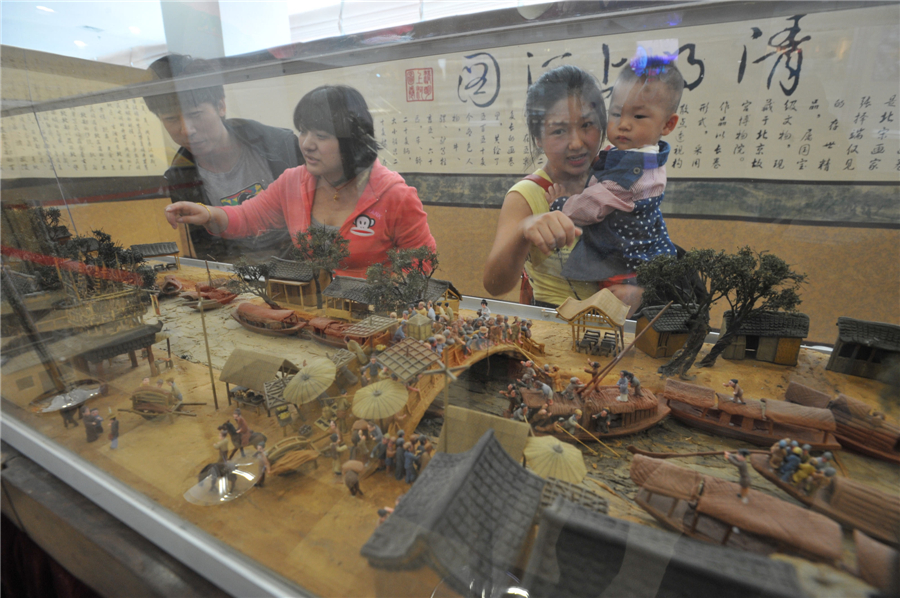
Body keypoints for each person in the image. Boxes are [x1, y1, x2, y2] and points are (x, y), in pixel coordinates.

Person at [164, 85, 436, 277]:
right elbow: (249, 216)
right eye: (303, 132)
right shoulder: (294, 181)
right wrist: (208, 213)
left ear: (351, 140)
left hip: (376, 313)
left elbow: (421, 265)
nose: (306, 144)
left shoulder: (395, 195)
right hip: (312, 304)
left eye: (321, 135)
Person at [545, 54, 682, 313]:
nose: (624, 125)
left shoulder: (633, 175)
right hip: (634, 256)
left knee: (610, 314)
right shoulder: (643, 154)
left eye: (639, 116)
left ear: (668, 124)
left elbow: (592, 206)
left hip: (622, 265)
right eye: (617, 113)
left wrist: (560, 204)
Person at [144, 54, 302, 262]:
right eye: (171, 119)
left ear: (221, 106)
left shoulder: (281, 145)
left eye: (195, 114)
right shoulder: (179, 179)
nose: (186, 130)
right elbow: (211, 253)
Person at [482, 65, 608, 308]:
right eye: (559, 131)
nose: (576, 143)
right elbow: (494, 285)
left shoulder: (613, 179)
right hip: (556, 322)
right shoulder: (526, 195)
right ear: (538, 138)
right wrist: (523, 231)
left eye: (587, 125)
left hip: (619, 319)